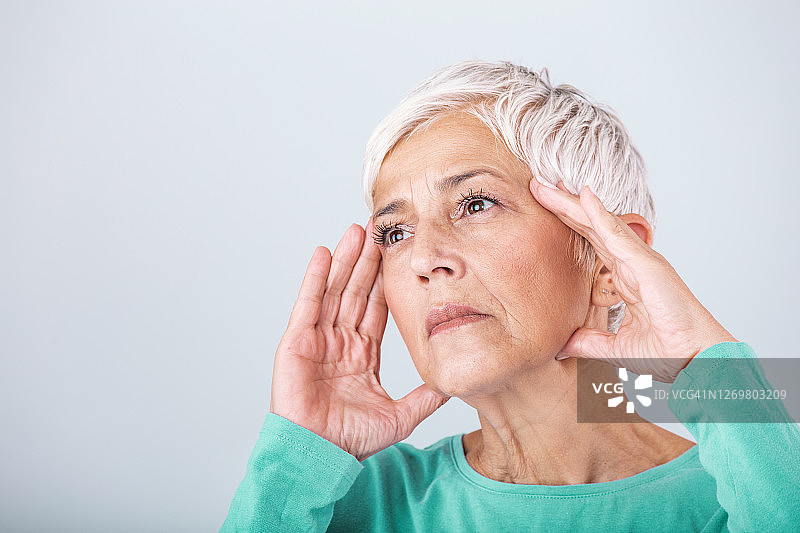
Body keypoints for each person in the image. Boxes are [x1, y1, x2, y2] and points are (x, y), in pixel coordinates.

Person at [220, 60, 800, 532]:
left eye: (475, 204)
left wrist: (708, 369)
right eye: (395, 234)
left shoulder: (740, 500)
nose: (424, 260)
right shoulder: (355, 502)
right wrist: (296, 465)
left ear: (607, 259)